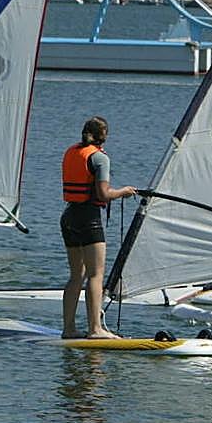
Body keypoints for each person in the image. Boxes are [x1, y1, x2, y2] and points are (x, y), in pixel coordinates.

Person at [60, 116, 136, 339]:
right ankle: (95, 329)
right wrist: (124, 191)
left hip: (69, 217)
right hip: (88, 219)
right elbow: (103, 194)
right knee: (96, 274)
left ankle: (69, 329)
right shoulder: (99, 158)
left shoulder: (71, 151)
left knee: (77, 275)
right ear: (105, 137)